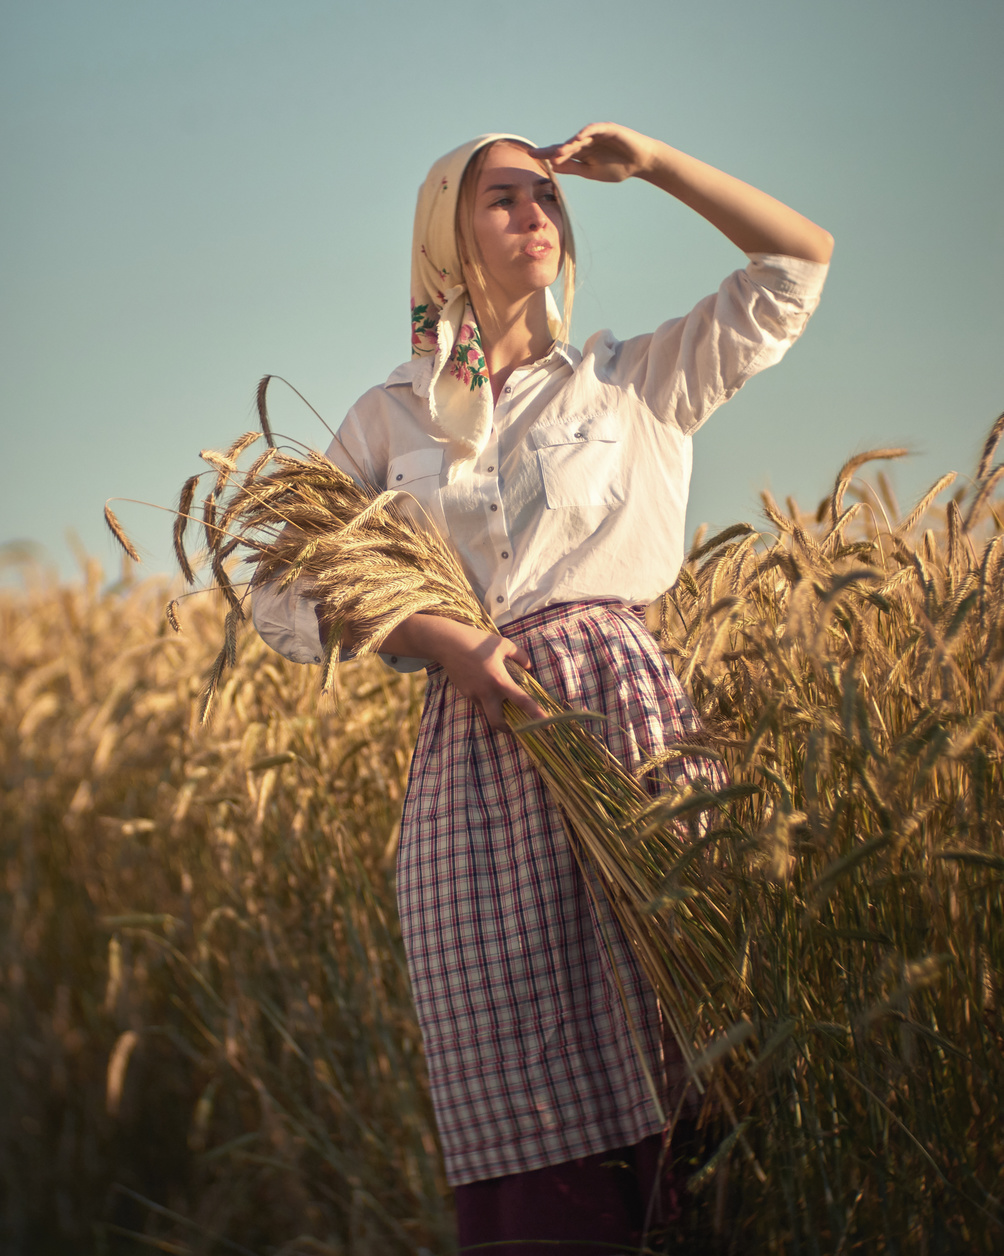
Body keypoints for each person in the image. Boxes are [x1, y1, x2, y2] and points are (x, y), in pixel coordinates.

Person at [251, 123, 832, 1254]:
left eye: (546, 198)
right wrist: (441, 639)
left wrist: (656, 165)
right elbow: (281, 592)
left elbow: (796, 262)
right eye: (500, 198)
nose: (534, 213)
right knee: (526, 1081)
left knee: (685, 1043)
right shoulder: (392, 414)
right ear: (447, 237)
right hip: (479, 765)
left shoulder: (629, 376)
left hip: (630, 735)